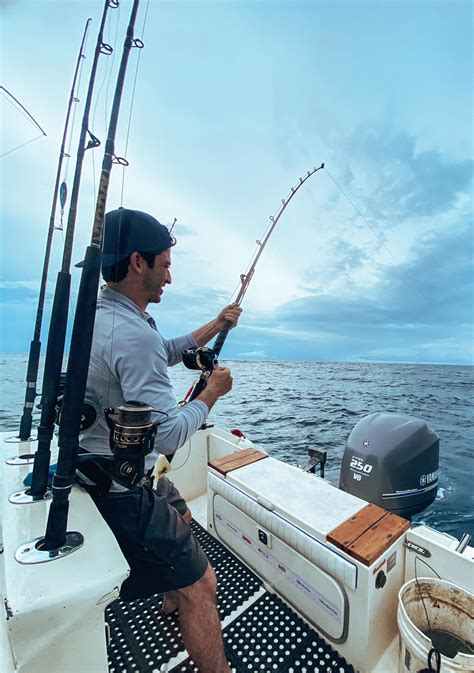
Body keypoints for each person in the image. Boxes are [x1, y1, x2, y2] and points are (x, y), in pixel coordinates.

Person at [78, 207, 241, 673]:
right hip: (118, 482)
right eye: (165, 264)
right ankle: (196, 619)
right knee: (203, 584)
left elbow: (168, 350)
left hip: (99, 461)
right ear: (138, 263)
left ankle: (170, 598)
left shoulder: (106, 314)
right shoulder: (131, 334)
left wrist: (217, 323)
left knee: (185, 513)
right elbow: (168, 433)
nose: (169, 276)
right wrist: (211, 393)